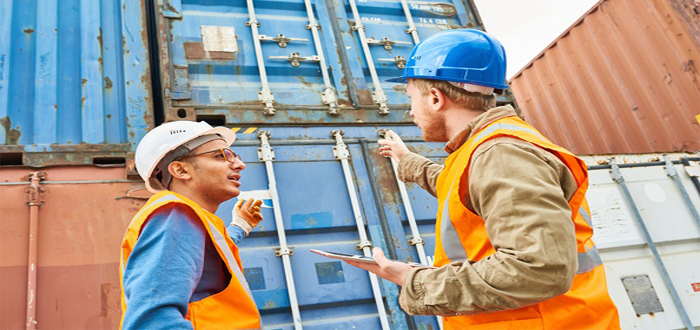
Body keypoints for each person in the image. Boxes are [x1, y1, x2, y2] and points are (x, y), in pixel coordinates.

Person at [345, 29, 621, 329]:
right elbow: (462, 189)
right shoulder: (487, 146)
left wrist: (419, 283)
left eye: (411, 98)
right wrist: (407, 160)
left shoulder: (501, 153)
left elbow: (539, 269)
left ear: (436, 98)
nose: (411, 111)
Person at [119, 121, 264, 329]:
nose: (240, 165)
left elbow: (200, 261)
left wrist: (240, 226)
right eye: (221, 155)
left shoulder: (185, 219)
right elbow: (152, 323)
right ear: (180, 170)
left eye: (235, 156)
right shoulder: (175, 214)